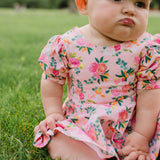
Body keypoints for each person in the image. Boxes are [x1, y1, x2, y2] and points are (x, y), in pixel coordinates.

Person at [33, 0, 160, 159]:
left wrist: (142, 135)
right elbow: (52, 80)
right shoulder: (68, 44)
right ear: (84, 5)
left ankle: (132, 149)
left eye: (140, 4)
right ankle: (89, 155)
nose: (130, 10)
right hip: (82, 123)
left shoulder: (147, 49)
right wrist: (54, 113)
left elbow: (149, 96)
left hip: (131, 124)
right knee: (56, 135)